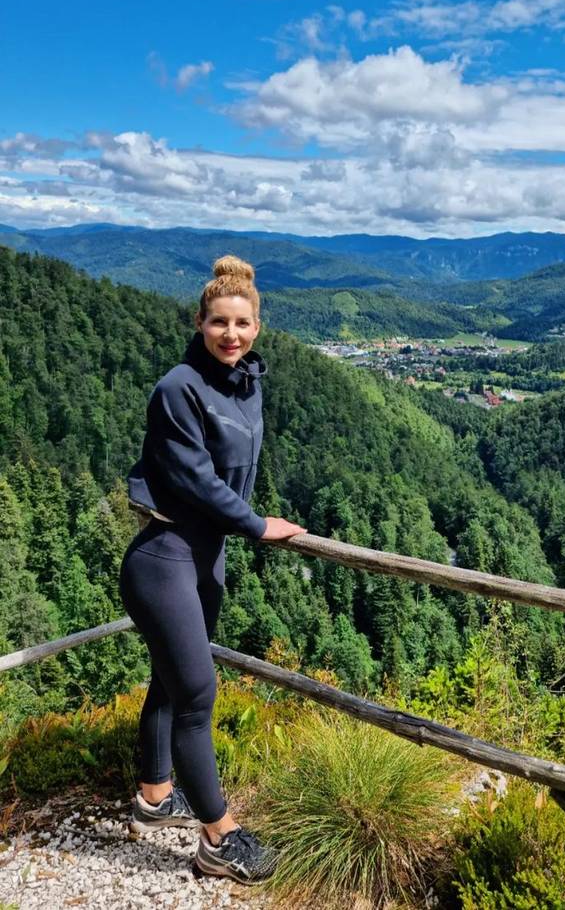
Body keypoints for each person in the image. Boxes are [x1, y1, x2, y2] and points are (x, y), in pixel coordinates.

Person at [119, 255, 306, 883]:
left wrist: (245, 522)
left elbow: (234, 472)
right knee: (198, 697)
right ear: (199, 322)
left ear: (258, 327)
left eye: (243, 323)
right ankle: (217, 840)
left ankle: (153, 797)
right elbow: (193, 480)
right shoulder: (178, 387)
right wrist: (256, 524)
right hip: (165, 557)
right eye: (219, 323)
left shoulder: (246, 383)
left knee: (172, 684)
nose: (231, 334)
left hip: (205, 558)